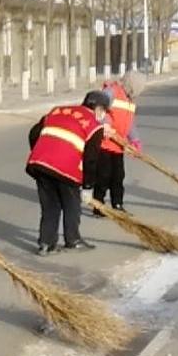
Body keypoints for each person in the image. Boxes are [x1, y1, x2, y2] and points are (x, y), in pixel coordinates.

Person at [28, 91, 109, 255]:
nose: (104, 116)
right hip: (66, 167)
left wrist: (41, 151)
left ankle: (46, 244)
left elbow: (33, 133)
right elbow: (91, 160)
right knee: (72, 204)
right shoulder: (94, 125)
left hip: (41, 163)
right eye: (104, 111)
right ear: (99, 109)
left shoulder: (58, 110)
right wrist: (88, 187)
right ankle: (73, 240)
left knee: (50, 206)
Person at [92, 70, 145, 212]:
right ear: (132, 85)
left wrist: (135, 140)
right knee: (103, 176)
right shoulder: (113, 91)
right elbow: (99, 106)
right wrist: (105, 124)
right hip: (104, 143)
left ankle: (117, 204)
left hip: (118, 145)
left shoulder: (130, 100)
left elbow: (130, 123)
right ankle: (98, 204)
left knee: (118, 176)